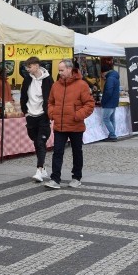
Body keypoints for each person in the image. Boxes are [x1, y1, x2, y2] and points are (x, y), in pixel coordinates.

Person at [45, 59, 95, 189]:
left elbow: (89, 104)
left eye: (62, 70)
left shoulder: (82, 85)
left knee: (76, 152)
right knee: (57, 152)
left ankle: (76, 177)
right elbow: (50, 102)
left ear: (69, 69)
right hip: (59, 125)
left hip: (75, 125)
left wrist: (77, 115)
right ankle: (55, 178)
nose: (59, 72)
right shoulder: (55, 85)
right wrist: (52, 113)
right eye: (59, 70)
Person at [20, 56, 54, 182]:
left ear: (36, 65)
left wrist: (49, 112)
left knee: (40, 142)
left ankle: (39, 170)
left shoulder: (48, 79)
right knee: (36, 142)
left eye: (29, 66)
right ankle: (44, 168)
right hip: (31, 116)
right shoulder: (27, 79)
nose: (28, 69)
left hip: (43, 116)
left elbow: (52, 98)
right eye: (27, 67)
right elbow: (23, 96)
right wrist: (26, 112)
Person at [100, 58, 120, 141]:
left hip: (109, 102)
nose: (102, 76)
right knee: (112, 119)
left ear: (105, 72)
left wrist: (103, 101)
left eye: (102, 74)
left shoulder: (110, 79)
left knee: (106, 118)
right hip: (114, 101)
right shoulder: (115, 77)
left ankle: (112, 135)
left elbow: (108, 92)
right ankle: (112, 134)